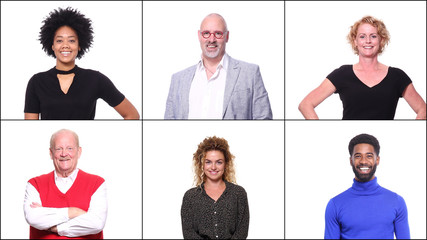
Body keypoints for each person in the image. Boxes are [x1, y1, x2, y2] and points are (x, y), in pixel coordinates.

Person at [299, 16, 426, 120]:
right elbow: (305, 105)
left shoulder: (397, 76)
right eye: (362, 36)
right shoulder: (342, 74)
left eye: (373, 36)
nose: (368, 41)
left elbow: (423, 110)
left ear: (381, 40)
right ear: (355, 41)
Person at [24, 7, 140, 120]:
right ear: (52, 45)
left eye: (71, 40)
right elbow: (30, 129)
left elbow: (132, 115)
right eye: (59, 40)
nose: (65, 45)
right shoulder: (37, 81)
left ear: (79, 45)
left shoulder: (95, 79)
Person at [165, 13, 272, 120]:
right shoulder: (178, 80)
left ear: (227, 36)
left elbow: (264, 121)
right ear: (199, 36)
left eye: (218, 33)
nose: (211, 39)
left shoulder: (250, 74)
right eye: (206, 33)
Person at [23, 129, 107, 239]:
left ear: (79, 152)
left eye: (70, 148)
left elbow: (97, 223)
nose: (64, 154)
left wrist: (55, 228)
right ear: (51, 153)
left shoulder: (97, 183)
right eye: (58, 149)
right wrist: (73, 212)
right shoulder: (35, 184)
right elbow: (33, 217)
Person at [324, 133, 410, 239]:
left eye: (369, 156)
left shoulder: (396, 201)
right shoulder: (335, 205)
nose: (363, 161)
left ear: (377, 160)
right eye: (358, 156)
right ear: (351, 161)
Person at [181, 136, 249, 239]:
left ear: (225, 164)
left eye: (219, 162)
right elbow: (188, 233)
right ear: (201, 164)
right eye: (208, 162)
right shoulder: (190, 197)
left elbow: (242, 231)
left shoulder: (238, 193)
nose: (213, 167)